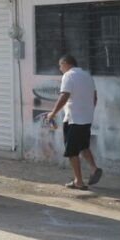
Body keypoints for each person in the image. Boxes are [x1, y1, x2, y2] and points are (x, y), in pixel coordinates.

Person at [46, 54, 101, 190]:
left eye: (60, 66)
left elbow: (64, 95)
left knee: (71, 152)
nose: (60, 69)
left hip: (73, 120)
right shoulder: (87, 76)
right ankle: (94, 169)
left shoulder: (68, 75)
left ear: (66, 63)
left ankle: (79, 181)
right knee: (83, 146)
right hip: (86, 119)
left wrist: (53, 113)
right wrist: (88, 111)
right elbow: (95, 97)